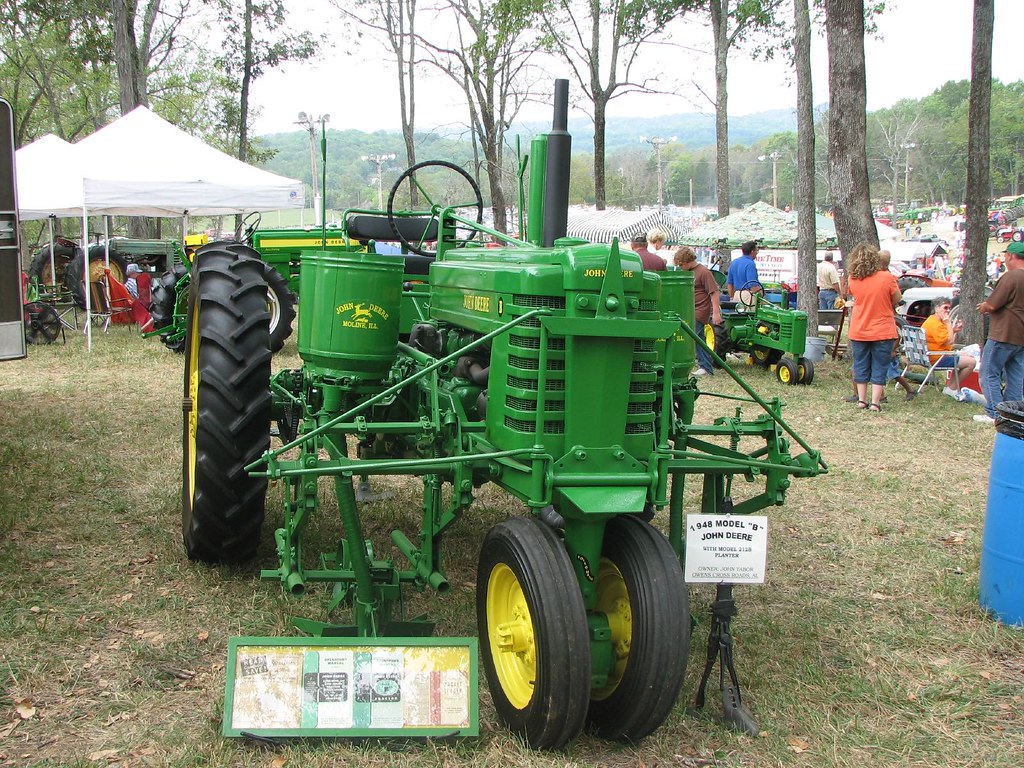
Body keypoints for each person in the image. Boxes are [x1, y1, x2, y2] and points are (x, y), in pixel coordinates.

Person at [847, 242, 901, 412]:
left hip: (859, 328)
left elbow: (854, 296)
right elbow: (897, 298)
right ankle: (875, 402)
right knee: (880, 366)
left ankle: (862, 400)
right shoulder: (887, 277)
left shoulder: (852, 278)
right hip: (882, 329)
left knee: (860, 364)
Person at [975, 241, 1024, 424]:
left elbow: (993, 304)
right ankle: (1013, 415)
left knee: (988, 373)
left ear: (1011, 256)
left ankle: (996, 413)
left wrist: (984, 306)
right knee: (1016, 377)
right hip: (1021, 337)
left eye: (1005, 256)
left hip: (1003, 333)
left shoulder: (1010, 277)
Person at [674, 246, 722, 376]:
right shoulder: (688, 271)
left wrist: (716, 313)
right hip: (690, 310)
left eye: (681, 264)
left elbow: (714, 292)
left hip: (700, 311)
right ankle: (705, 366)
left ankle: (705, 367)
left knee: (695, 337)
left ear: (688, 261)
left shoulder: (704, 272)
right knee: (698, 338)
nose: (680, 267)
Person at [921, 296, 976, 385]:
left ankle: (950, 386)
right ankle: (952, 387)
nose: (948, 310)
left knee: (967, 355)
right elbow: (949, 341)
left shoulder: (932, 320)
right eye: (945, 307)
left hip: (934, 355)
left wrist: (953, 330)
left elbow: (944, 338)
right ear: (937, 308)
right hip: (937, 358)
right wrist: (948, 323)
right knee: (971, 362)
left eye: (949, 308)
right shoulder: (936, 324)